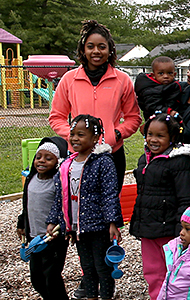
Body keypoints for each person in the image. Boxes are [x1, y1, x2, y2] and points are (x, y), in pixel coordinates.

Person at [49, 20, 141, 190]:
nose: (96, 51)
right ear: (83, 49)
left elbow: (133, 118)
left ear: (110, 49)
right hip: (78, 153)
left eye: (102, 46)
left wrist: (116, 134)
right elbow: (56, 117)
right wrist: (72, 135)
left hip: (112, 153)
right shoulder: (69, 79)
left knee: (111, 205)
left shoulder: (122, 80)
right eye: (90, 46)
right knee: (79, 203)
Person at [47, 115, 123, 300]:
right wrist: (54, 220)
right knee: (87, 268)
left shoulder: (103, 162)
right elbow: (60, 196)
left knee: (102, 267)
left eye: (81, 134)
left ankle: (106, 297)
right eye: (72, 134)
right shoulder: (67, 164)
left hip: (98, 226)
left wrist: (112, 222)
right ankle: (91, 297)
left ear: (95, 138)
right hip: (78, 227)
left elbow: (110, 193)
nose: (74, 139)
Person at [131, 113, 190, 299]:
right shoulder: (144, 159)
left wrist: (182, 228)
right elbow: (142, 195)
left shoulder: (180, 161)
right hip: (148, 228)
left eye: (160, 136)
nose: (153, 140)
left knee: (174, 270)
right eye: (149, 134)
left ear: (173, 137)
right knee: (152, 271)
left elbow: (185, 198)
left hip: (169, 228)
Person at [17, 136, 69, 299]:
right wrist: (22, 222)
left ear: (58, 161)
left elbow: (65, 207)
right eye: (39, 157)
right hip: (34, 238)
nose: (41, 161)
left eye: (48, 158)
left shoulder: (58, 182)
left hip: (52, 240)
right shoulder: (31, 179)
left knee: (51, 278)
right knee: (37, 279)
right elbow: (27, 203)